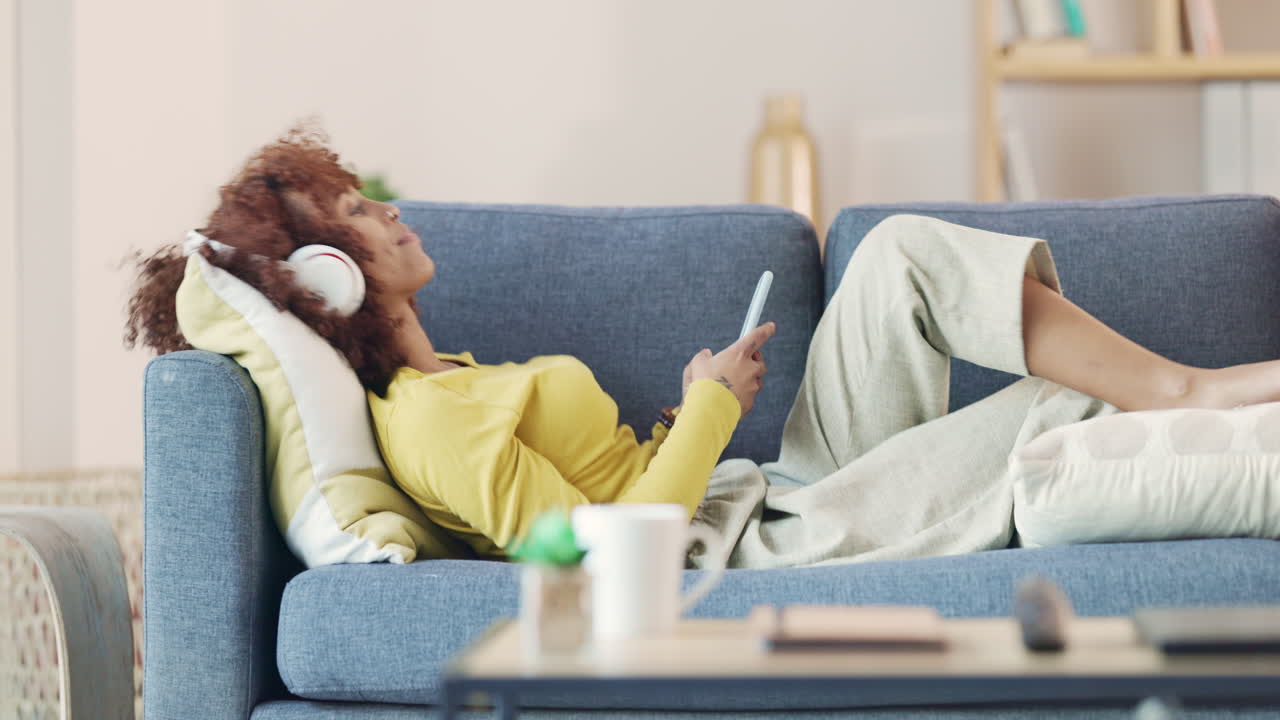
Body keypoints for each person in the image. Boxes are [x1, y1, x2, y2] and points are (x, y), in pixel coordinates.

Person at [125, 129, 1280, 568]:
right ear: (330, 283)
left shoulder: (457, 379)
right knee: (1039, 419)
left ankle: (1196, 388)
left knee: (899, 261)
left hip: (747, 492)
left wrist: (686, 414)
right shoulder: (425, 425)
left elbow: (625, 479)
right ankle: (1216, 418)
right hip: (741, 549)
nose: (387, 211)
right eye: (355, 219)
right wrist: (716, 410)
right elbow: (603, 546)